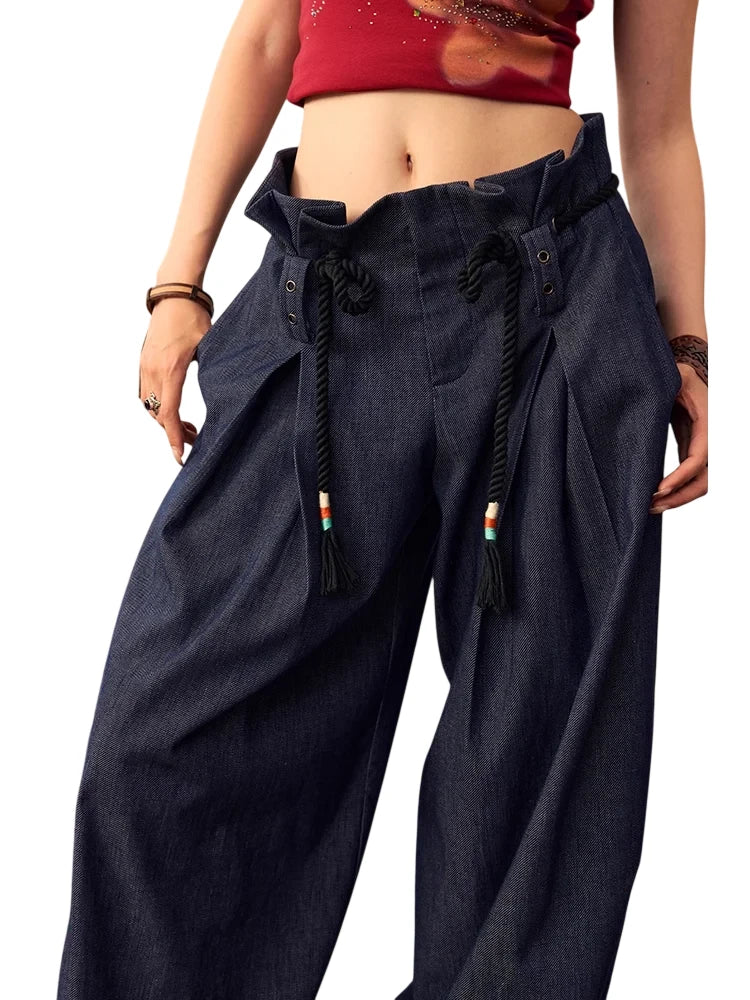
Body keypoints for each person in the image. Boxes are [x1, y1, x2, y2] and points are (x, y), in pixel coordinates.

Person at [57, 1, 708, 998]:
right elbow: (266, 36)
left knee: (529, 777)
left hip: (549, 300)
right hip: (321, 300)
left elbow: (659, 123)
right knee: (154, 750)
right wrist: (177, 284)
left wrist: (687, 345)